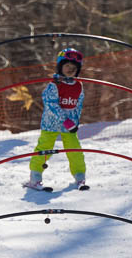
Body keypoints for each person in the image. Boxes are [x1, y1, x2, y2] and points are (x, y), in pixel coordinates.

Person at [24, 48, 87, 190]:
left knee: (74, 149)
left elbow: (79, 105)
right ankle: (35, 178)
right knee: (44, 149)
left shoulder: (78, 86)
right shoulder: (55, 85)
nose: (70, 69)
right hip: (51, 124)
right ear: (60, 67)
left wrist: (75, 121)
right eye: (67, 66)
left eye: (74, 68)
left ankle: (79, 176)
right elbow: (51, 104)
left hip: (70, 127)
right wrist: (65, 120)